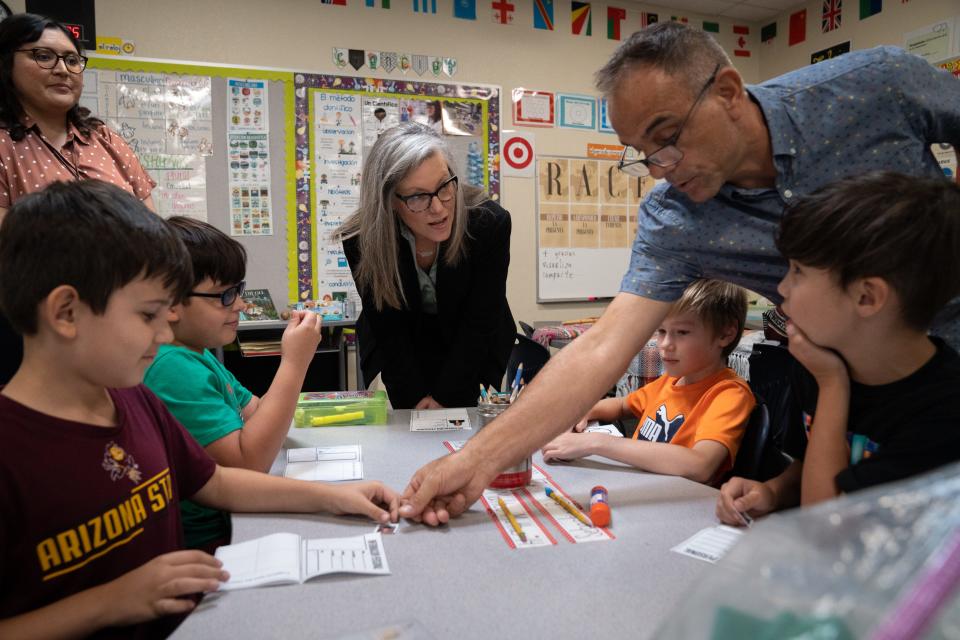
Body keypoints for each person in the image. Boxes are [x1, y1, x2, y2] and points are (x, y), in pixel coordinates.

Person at [397, 23, 960, 526]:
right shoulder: (675, 218)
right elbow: (601, 350)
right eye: (640, 153)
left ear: (729, 92)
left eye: (667, 138)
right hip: (851, 402)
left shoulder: (872, 84)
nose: (659, 168)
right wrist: (475, 463)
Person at [0, 180, 398, 637]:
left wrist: (335, 497)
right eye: (149, 315)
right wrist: (108, 602)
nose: (166, 335)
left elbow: (219, 482)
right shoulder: (11, 452)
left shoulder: (135, 401)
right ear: (66, 313)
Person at [715, 172, 960, 525]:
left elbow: (828, 523)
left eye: (798, 271)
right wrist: (773, 491)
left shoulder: (945, 413)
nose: (782, 287)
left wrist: (832, 385)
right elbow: (810, 466)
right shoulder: (817, 361)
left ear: (866, 297)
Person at [144, 216, 323, 552]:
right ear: (170, 304)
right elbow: (250, 464)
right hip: (206, 543)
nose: (240, 304)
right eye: (224, 295)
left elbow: (260, 415)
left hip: (232, 524)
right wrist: (295, 363)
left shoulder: (196, 355)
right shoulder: (172, 367)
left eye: (237, 291)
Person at [0, 13, 158, 384]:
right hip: (40, 326)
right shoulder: (4, 144)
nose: (63, 70)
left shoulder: (104, 138)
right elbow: (8, 248)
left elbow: (152, 228)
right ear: (6, 63)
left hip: (122, 310)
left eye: (72, 60)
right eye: (43, 56)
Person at [336, 122, 514, 410]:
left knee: (464, 429)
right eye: (418, 196)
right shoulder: (362, 240)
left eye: (444, 186)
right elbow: (388, 327)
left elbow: (479, 321)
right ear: (389, 200)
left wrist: (447, 397)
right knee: (410, 429)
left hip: (471, 346)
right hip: (402, 349)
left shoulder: (488, 224)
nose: (439, 208)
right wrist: (415, 398)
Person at [541, 280, 753, 486]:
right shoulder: (671, 381)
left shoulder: (729, 394)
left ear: (726, 334)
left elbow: (701, 465)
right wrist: (582, 412)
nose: (665, 345)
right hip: (641, 484)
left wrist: (597, 442)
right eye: (661, 331)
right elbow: (623, 405)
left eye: (682, 332)